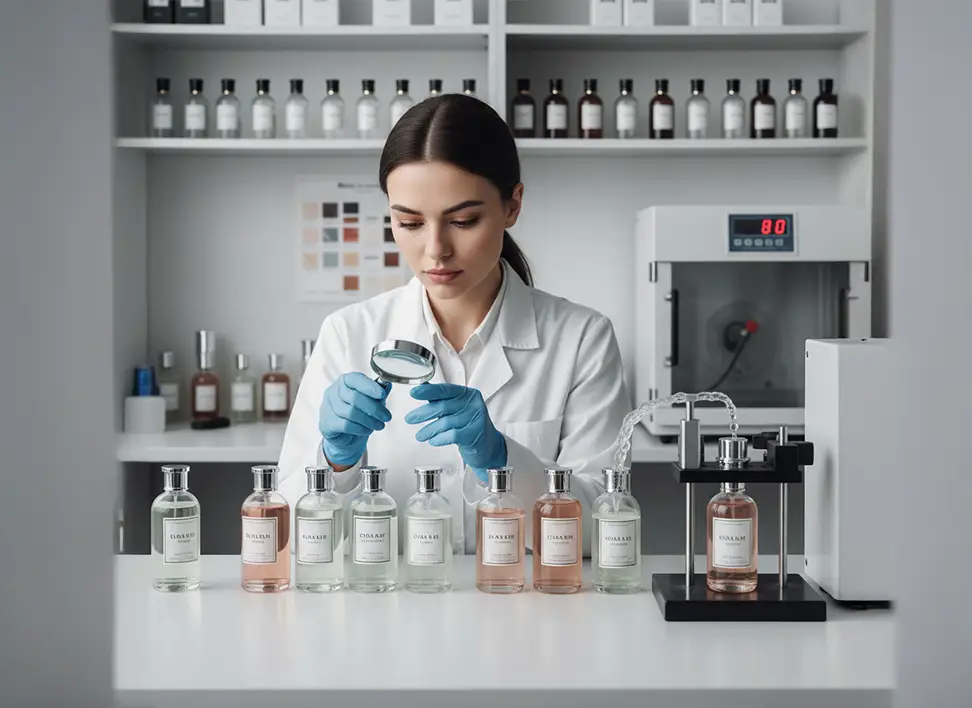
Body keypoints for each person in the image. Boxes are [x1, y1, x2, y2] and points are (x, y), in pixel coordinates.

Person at [278, 94, 631, 555]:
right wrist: (335, 462)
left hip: (527, 609)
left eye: (463, 221)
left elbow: (605, 532)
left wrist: (499, 459)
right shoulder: (349, 333)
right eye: (409, 223)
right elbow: (287, 535)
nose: (435, 250)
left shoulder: (582, 339)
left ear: (512, 205)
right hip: (389, 609)